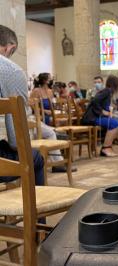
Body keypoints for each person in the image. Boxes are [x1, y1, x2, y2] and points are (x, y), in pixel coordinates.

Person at [0, 25, 45, 186]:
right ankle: (35, 210)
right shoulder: (11, 71)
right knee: (36, 158)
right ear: (10, 47)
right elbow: (16, 139)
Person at [82, 75, 118, 157]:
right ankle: (105, 148)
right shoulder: (107, 91)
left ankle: (108, 147)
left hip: (95, 116)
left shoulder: (108, 91)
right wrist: (103, 112)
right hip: (92, 117)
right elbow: (95, 101)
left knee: (116, 122)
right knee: (115, 124)